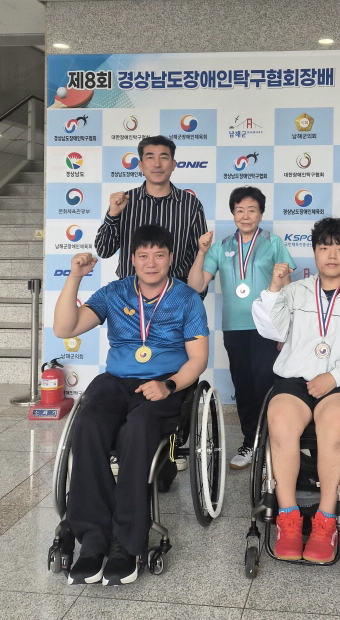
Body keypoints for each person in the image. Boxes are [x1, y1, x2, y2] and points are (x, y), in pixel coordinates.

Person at [53, 224, 209, 586]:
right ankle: (93, 540)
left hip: (164, 383)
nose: (151, 263)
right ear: (133, 260)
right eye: (143, 256)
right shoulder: (114, 292)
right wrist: (75, 277)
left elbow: (198, 359)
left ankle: (127, 542)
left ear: (170, 258)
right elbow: (65, 328)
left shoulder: (187, 298)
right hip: (116, 381)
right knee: (87, 423)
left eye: (159, 255)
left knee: (137, 430)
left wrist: (169, 385)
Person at [251, 217, 340, 563]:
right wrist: (275, 288)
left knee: (336, 426)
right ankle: (288, 517)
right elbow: (270, 329)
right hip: (296, 380)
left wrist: (334, 377)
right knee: (280, 422)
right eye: (325, 247)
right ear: (314, 252)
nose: (332, 255)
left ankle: (326, 519)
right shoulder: (295, 291)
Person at [187, 186, 296, 469]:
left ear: (261, 213)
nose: (245, 215)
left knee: (267, 385)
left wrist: (287, 328)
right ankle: (250, 443)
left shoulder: (274, 243)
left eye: (251, 210)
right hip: (235, 328)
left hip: (268, 327)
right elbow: (196, 285)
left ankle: (274, 444)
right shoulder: (221, 247)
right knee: (244, 387)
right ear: (233, 213)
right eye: (239, 210)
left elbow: (287, 288)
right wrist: (201, 252)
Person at [95, 135, 207, 283]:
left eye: (164, 157)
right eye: (150, 158)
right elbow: (104, 250)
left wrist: (193, 294)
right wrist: (113, 215)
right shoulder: (124, 201)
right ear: (140, 165)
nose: (157, 164)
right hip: (130, 290)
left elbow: (201, 257)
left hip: (175, 290)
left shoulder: (190, 204)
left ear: (173, 164)